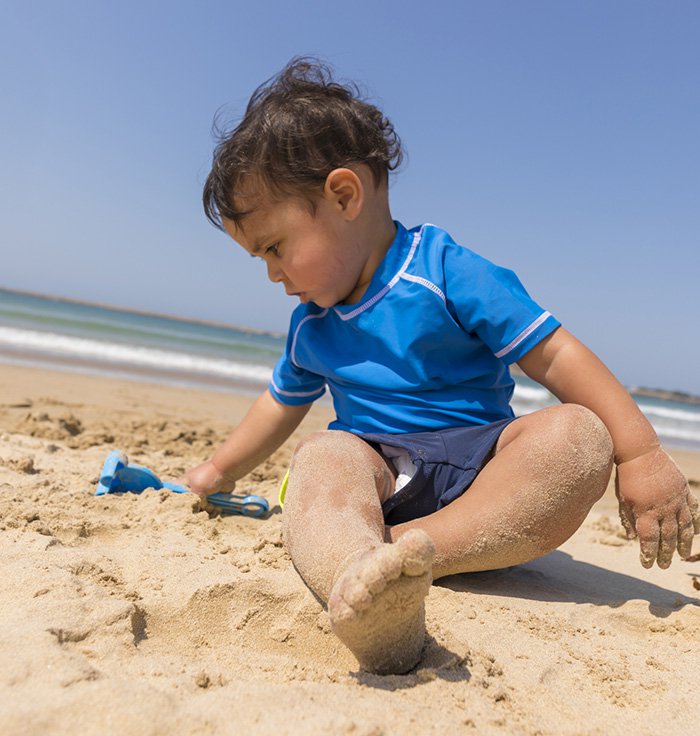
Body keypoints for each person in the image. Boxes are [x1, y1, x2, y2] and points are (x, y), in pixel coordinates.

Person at [183, 57, 699, 675]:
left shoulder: (445, 271)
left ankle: (403, 558)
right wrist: (218, 469)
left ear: (344, 196)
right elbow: (278, 403)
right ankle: (364, 583)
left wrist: (638, 454)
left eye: (274, 247)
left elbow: (556, 354)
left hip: (484, 490)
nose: (273, 272)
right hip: (378, 479)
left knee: (578, 436)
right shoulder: (311, 327)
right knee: (324, 456)